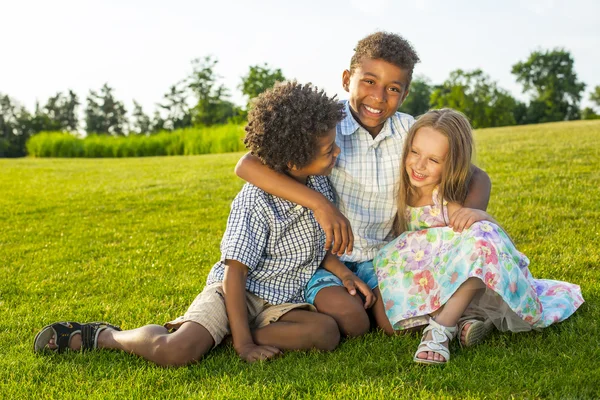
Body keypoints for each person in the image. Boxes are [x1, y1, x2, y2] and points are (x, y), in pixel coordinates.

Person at [33, 81, 373, 366]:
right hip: (233, 295)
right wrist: (244, 345)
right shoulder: (255, 200)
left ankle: (219, 337)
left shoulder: (320, 186)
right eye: (328, 150)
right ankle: (104, 336)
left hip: (283, 299)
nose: (336, 154)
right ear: (293, 159)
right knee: (178, 351)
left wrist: (342, 272)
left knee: (326, 333)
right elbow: (234, 276)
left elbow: (316, 249)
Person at [235, 31, 492, 338]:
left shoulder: (409, 132)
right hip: (325, 260)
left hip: (386, 257)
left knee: (392, 324)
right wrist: (320, 204)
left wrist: (464, 220)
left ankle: (460, 315)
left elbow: (477, 176)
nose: (379, 97)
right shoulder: (326, 126)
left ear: (405, 94)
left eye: (393, 88)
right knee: (350, 319)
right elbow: (246, 165)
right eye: (369, 81)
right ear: (347, 80)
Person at [374, 108, 584, 365]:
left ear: (452, 163)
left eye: (433, 160)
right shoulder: (399, 187)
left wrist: (486, 218)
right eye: (414, 152)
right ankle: (468, 321)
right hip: (426, 277)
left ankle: (440, 330)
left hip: (462, 275)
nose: (418, 165)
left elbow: (472, 242)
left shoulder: (447, 196)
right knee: (394, 318)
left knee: (480, 231)